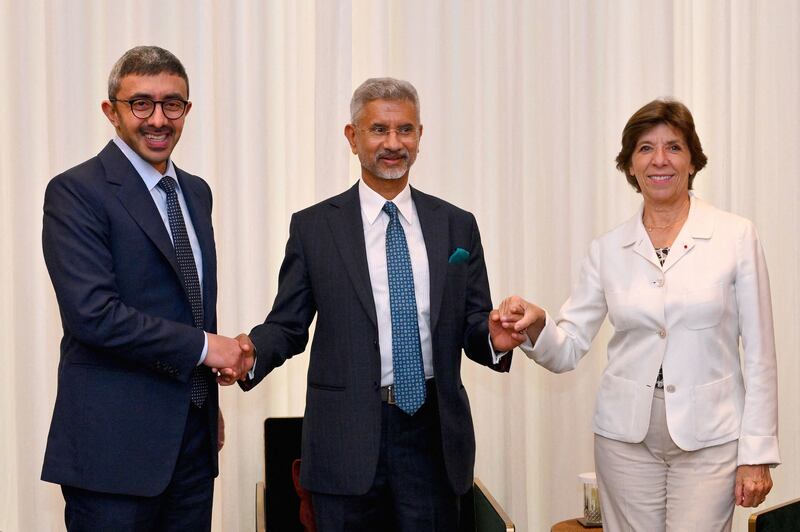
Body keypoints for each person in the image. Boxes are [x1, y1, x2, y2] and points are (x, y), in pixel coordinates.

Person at [236, 77, 520, 531]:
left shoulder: (456, 225)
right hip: (345, 441)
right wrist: (249, 352)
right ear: (352, 137)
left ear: (420, 137)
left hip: (434, 439)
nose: (393, 143)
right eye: (378, 130)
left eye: (405, 130)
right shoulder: (314, 228)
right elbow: (288, 325)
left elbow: (473, 322)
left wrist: (494, 338)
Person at [497, 99, 779, 531]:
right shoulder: (607, 249)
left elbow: (760, 355)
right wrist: (536, 323)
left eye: (674, 147)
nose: (660, 160)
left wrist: (757, 454)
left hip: (711, 435)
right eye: (646, 148)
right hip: (625, 439)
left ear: (692, 160)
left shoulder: (735, 236)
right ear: (630, 165)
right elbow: (568, 348)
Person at [41, 46, 252, 531]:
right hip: (113, 452)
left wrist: (202, 401)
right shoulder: (76, 192)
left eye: (172, 104)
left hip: (193, 444)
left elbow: (190, 303)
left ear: (187, 110)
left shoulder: (195, 192)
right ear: (111, 111)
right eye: (141, 103)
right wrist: (207, 350)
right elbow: (93, 315)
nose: (158, 119)